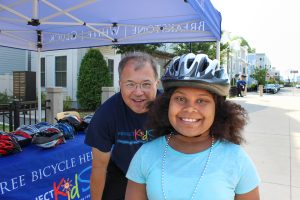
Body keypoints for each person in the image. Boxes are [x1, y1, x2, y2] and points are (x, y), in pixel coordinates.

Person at [125, 53, 260, 200]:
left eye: (201, 101)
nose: (190, 109)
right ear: (166, 104)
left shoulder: (237, 159)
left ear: (218, 109)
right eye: (180, 99)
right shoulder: (145, 155)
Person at [85, 52, 160, 200]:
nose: (138, 92)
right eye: (130, 84)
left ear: (156, 83)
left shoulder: (170, 108)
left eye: (146, 84)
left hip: (161, 171)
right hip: (123, 170)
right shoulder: (105, 115)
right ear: (120, 84)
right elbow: (99, 168)